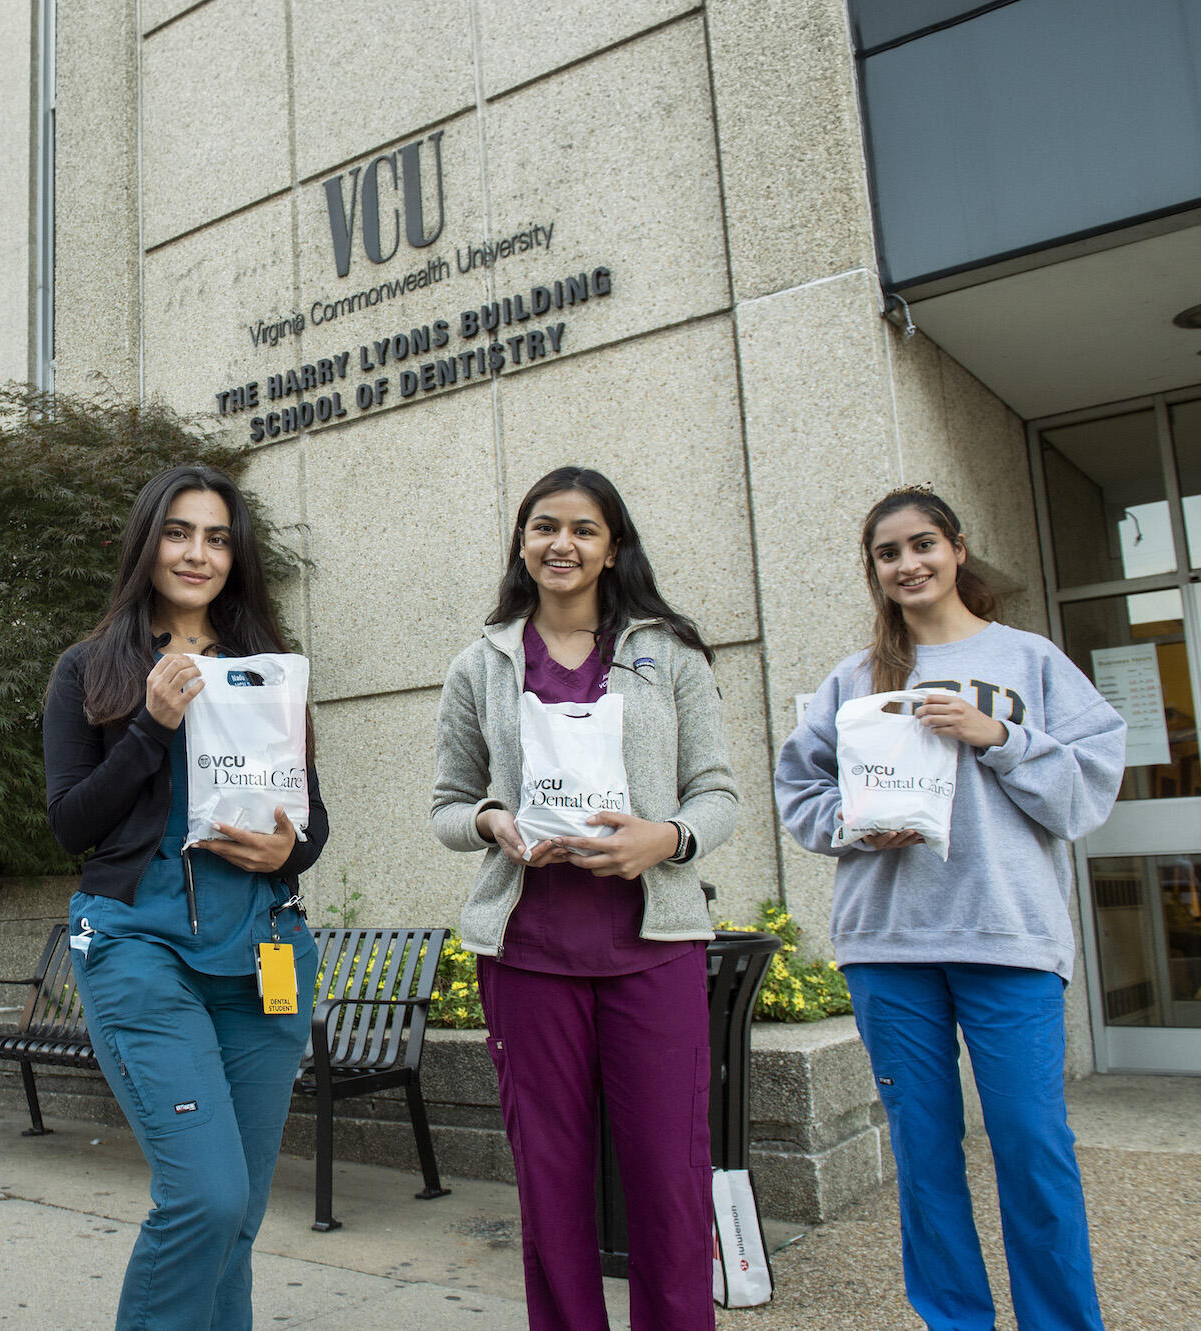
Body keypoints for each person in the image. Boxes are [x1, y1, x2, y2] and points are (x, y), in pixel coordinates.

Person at [774, 485, 1123, 1331]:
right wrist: (858, 827)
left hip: (1009, 937)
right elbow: (800, 793)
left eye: (922, 544)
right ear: (875, 570)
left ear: (957, 549)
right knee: (925, 1158)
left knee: (1033, 1150)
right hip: (889, 946)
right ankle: (956, 1321)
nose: (907, 564)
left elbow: (1089, 790)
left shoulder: (1028, 659)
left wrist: (1000, 737)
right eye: (888, 553)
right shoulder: (854, 679)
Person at [431, 466, 737, 1331]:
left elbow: (718, 793)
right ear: (522, 543)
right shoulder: (479, 665)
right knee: (552, 1185)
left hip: (653, 949)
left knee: (669, 1184)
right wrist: (492, 821)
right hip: (529, 954)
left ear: (612, 549)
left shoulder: (666, 654)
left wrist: (662, 838)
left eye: (584, 529)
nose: (561, 543)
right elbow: (447, 803)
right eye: (544, 526)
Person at [42, 463, 327, 1331]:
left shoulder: (268, 673)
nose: (197, 552)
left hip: (263, 955)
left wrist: (292, 845)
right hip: (139, 948)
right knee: (203, 1197)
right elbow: (70, 823)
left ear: (236, 554)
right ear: (146, 543)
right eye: (178, 531)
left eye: (216, 535)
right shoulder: (88, 669)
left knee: (236, 1217)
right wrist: (151, 724)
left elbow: (309, 827)